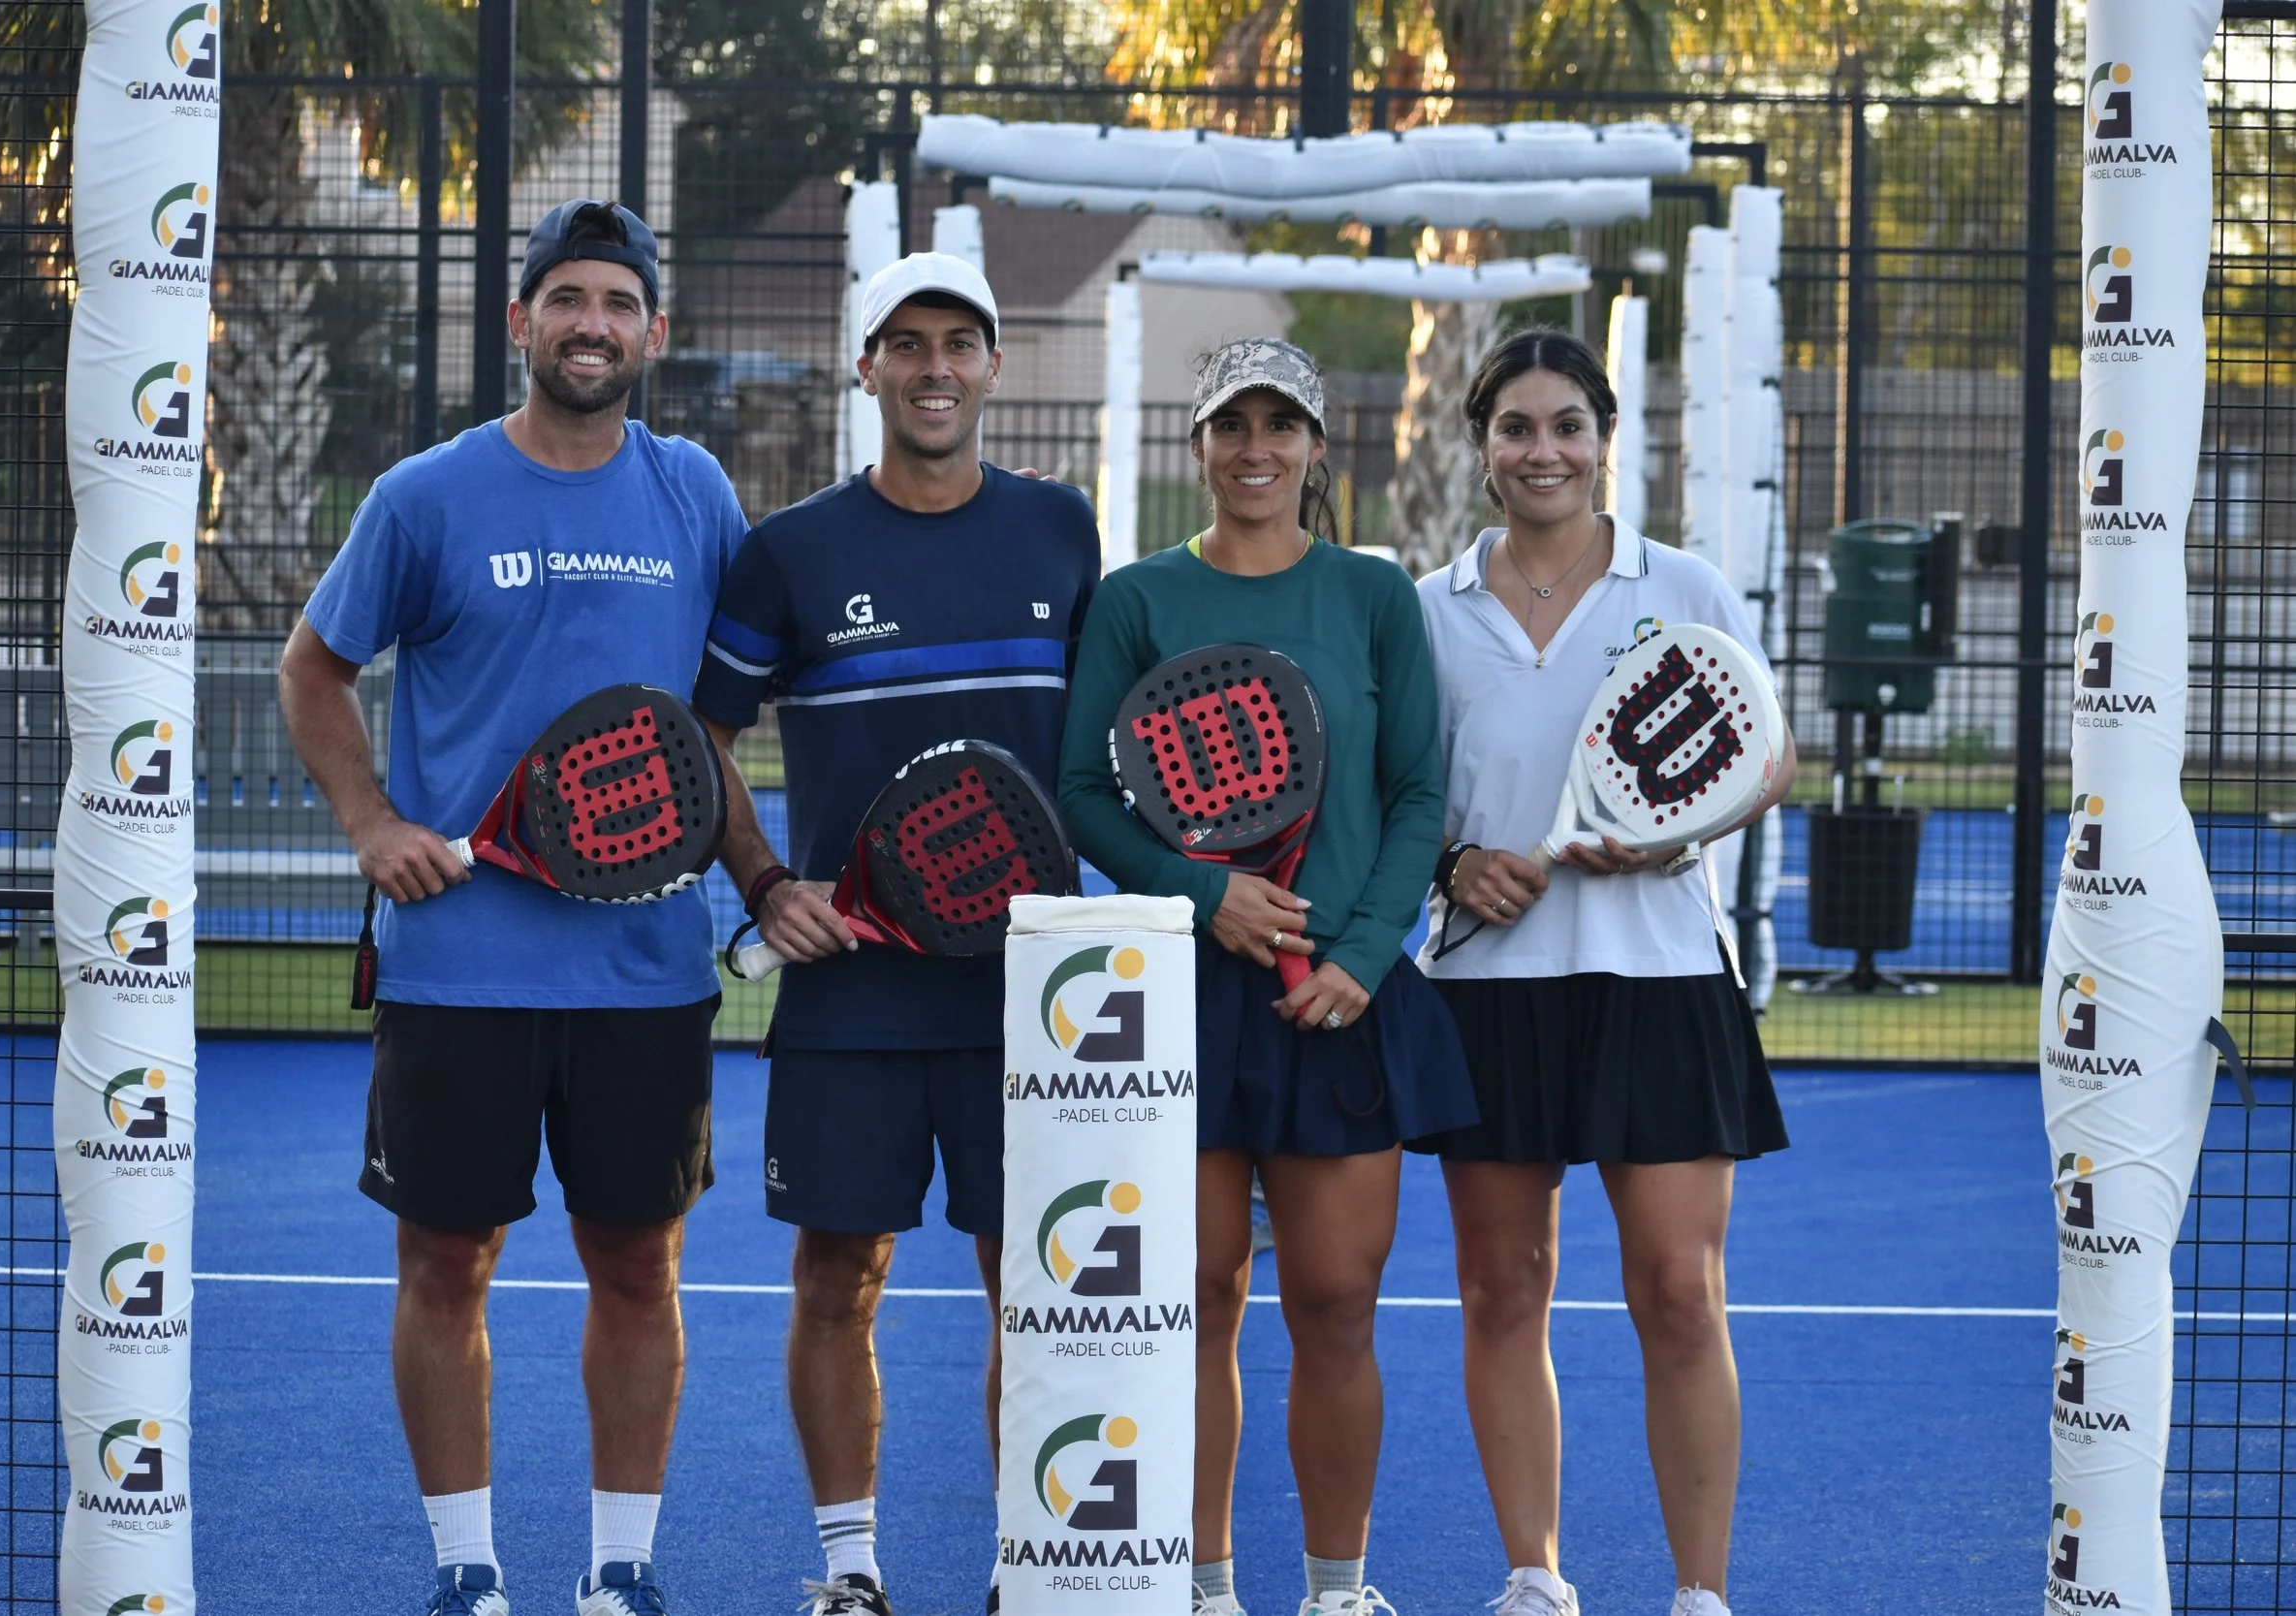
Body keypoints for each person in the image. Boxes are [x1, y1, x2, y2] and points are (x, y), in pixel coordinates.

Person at [281, 199, 744, 1616]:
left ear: (651, 332)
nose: (592, 325)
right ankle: (467, 1570)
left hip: (647, 967)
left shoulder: (695, 495)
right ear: (521, 323)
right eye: (568, 300)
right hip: (457, 967)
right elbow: (313, 669)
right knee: (443, 1262)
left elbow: (716, 722)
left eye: (618, 303)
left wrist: (764, 878)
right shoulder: (424, 496)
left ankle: (619, 1569)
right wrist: (372, 821)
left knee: (636, 1262)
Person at [690, 252, 1101, 1616]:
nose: (933, 365)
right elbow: (705, 738)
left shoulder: (1064, 531)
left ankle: (1025, 1563)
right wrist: (760, 883)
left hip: (1033, 999)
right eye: (905, 342)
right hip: (850, 997)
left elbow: (1101, 753)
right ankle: (852, 1572)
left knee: (1033, 1298)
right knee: (835, 1280)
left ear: (992, 365)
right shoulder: (789, 549)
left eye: (958, 342)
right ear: (866, 366)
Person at [1055, 337, 1474, 1616]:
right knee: (1194, 1296)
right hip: (1182, 992)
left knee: (1337, 1303)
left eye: (1279, 424)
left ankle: (1338, 1588)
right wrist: (1206, 894)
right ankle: (1200, 1584)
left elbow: (1416, 794)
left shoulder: (1374, 595)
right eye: (1229, 423)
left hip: (1339, 996)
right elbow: (1084, 793)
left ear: (1313, 448)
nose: (1254, 448)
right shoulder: (1136, 600)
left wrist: (1359, 956)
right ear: (1197, 446)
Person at [1412, 329, 1795, 1616]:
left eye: (1566, 424)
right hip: (1487, 991)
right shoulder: (1427, 606)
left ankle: (1700, 1591)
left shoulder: (1680, 583)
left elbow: (1765, 749)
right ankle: (1536, 1575)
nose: (1543, 450)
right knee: (1502, 1287)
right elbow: (1402, 795)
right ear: (1482, 447)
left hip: (1660, 979)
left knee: (1679, 1291)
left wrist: (1677, 829)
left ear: (1604, 438)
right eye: (1516, 427)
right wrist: (1456, 864)